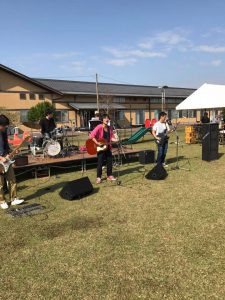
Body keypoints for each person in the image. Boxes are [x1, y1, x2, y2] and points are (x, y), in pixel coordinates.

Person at [0, 115, 24, 209]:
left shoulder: (4, 132)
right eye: (4, 125)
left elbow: (6, 146)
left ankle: (13, 199)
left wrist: (12, 151)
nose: (5, 127)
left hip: (7, 160)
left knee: (12, 180)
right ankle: (2, 201)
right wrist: (0, 158)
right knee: (0, 184)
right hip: (1, 160)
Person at [89, 114, 118, 184]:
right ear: (102, 120)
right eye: (105, 118)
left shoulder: (109, 128)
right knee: (100, 163)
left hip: (108, 147)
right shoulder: (99, 127)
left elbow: (111, 137)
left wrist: (116, 139)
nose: (107, 119)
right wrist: (97, 143)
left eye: (108, 118)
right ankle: (98, 177)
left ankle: (109, 175)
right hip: (100, 147)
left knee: (110, 161)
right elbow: (91, 135)